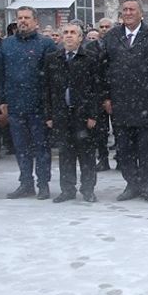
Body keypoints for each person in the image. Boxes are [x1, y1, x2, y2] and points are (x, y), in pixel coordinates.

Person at [102, 0, 148, 202]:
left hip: (147, 102)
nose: (127, 13)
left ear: (141, 13)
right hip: (120, 102)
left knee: (147, 148)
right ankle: (132, 184)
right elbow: (104, 69)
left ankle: (147, 184)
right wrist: (107, 97)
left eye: (132, 10)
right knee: (125, 148)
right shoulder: (112, 36)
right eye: (125, 10)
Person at [0, 6, 56, 199]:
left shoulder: (46, 44)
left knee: (41, 148)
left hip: (38, 106)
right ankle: (25, 183)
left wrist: (49, 105)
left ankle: (43, 184)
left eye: (26, 18)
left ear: (35, 22)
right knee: (21, 148)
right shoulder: (6, 45)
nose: (22, 21)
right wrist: (2, 99)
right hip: (15, 105)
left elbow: (51, 77)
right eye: (19, 18)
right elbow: (1, 74)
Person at [44, 21, 102, 203]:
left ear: (80, 37)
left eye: (73, 33)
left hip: (83, 115)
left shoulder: (90, 58)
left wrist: (93, 114)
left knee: (86, 155)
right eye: (66, 32)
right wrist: (49, 115)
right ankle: (67, 189)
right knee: (65, 155)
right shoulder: (53, 58)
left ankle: (88, 189)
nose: (69, 35)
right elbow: (46, 89)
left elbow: (96, 89)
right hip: (61, 115)